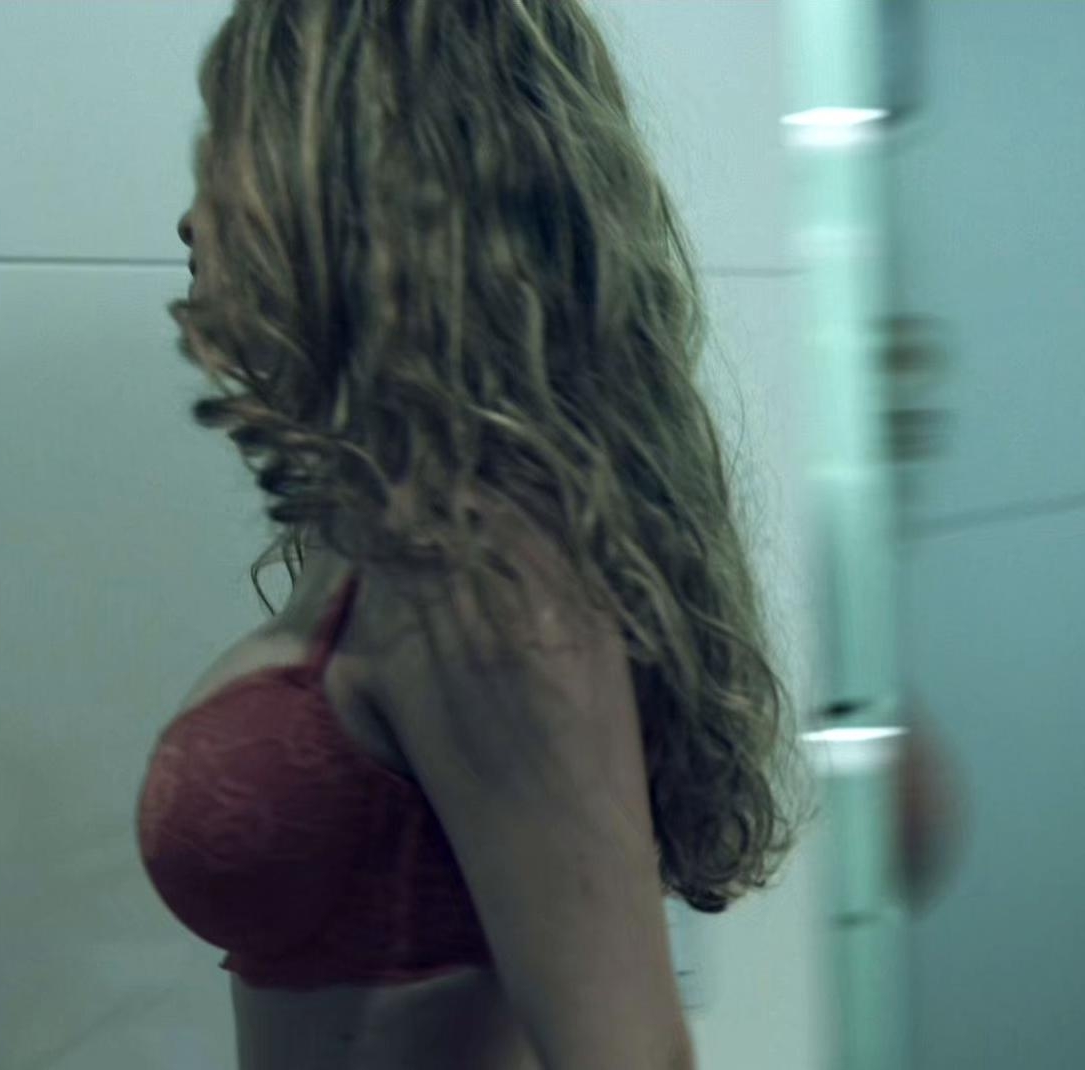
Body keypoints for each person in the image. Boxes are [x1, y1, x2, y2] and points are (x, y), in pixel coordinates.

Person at [136, 2, 806, 1067]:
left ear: (356, 174)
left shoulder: (482, 566)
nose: (189, 216)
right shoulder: (385, 532)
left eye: (230, 147)